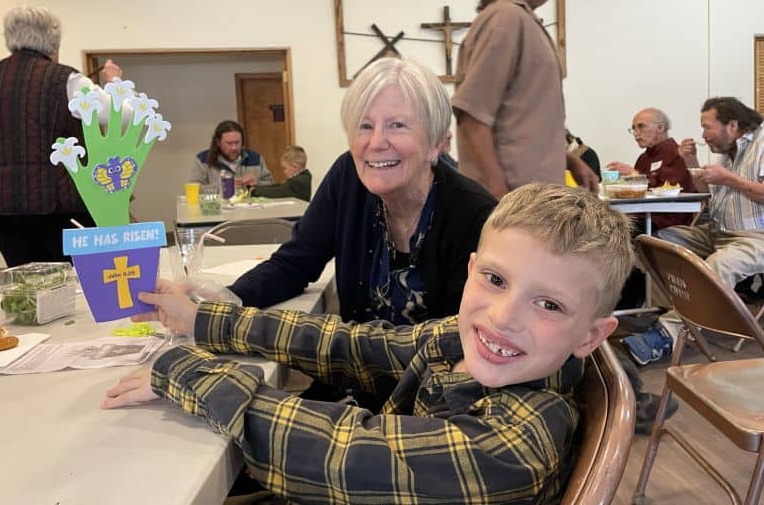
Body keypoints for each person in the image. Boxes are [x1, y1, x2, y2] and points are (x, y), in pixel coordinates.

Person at [102, 183, 633, 504]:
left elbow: (345, 451)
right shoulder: (468, 341)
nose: (503, 317)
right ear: (472, 271)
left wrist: (189, 372)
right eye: (495, 280)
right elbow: (355, 345)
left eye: (549, 305)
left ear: (590, 336)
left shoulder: (512, 448)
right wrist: (204, 322)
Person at [230, 57, 496, 328]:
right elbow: (294, 265)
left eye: (397, 125)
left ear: (438, 143)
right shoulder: (348, 177)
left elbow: (456, 340)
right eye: (365, 126)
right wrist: (223, 300)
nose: (376, 142)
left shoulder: (475, 216)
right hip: (353, 363)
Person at [0, 6, 126, 266]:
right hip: (57, 204)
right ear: (54, 42)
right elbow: (123, 116)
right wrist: (115, 83)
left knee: (28, 284)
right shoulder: (65, 79)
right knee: (78, 282)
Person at [452, 0, 598, 199]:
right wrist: (500, 198)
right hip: (515, 206)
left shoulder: (517, 19)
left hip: (531, 202)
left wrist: (567, 159)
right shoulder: (505, 20)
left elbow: (519, 121)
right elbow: (473, 116)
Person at [658, 96, 764, 288]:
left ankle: (679, 318)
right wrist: (690, 161)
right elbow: (707, 192)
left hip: (755, 237)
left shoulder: (762, 143)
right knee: (658, 244)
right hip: (717, 233)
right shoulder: (729, 151)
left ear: (732, 125)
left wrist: (728, 178)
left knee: (719, 266)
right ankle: (670, 306)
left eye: (707, 127)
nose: (704, 136)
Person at [607, 108, 696, 230]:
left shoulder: (677, 153)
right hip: (642, 215)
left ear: (660, 128)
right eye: (633, 128)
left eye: (641, 126)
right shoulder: (643, 158)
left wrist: (634, 174)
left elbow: (669, 190)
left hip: (666, 221)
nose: (636, 133)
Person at [188, 120, 273, 189]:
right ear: (218, 142)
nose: (234, 148)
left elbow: (271, 184)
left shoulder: (256, 158)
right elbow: (194, 189)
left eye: (237, 142)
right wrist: (221, 187)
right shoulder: (203, 160)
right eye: (229, 143)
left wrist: (256, 184)